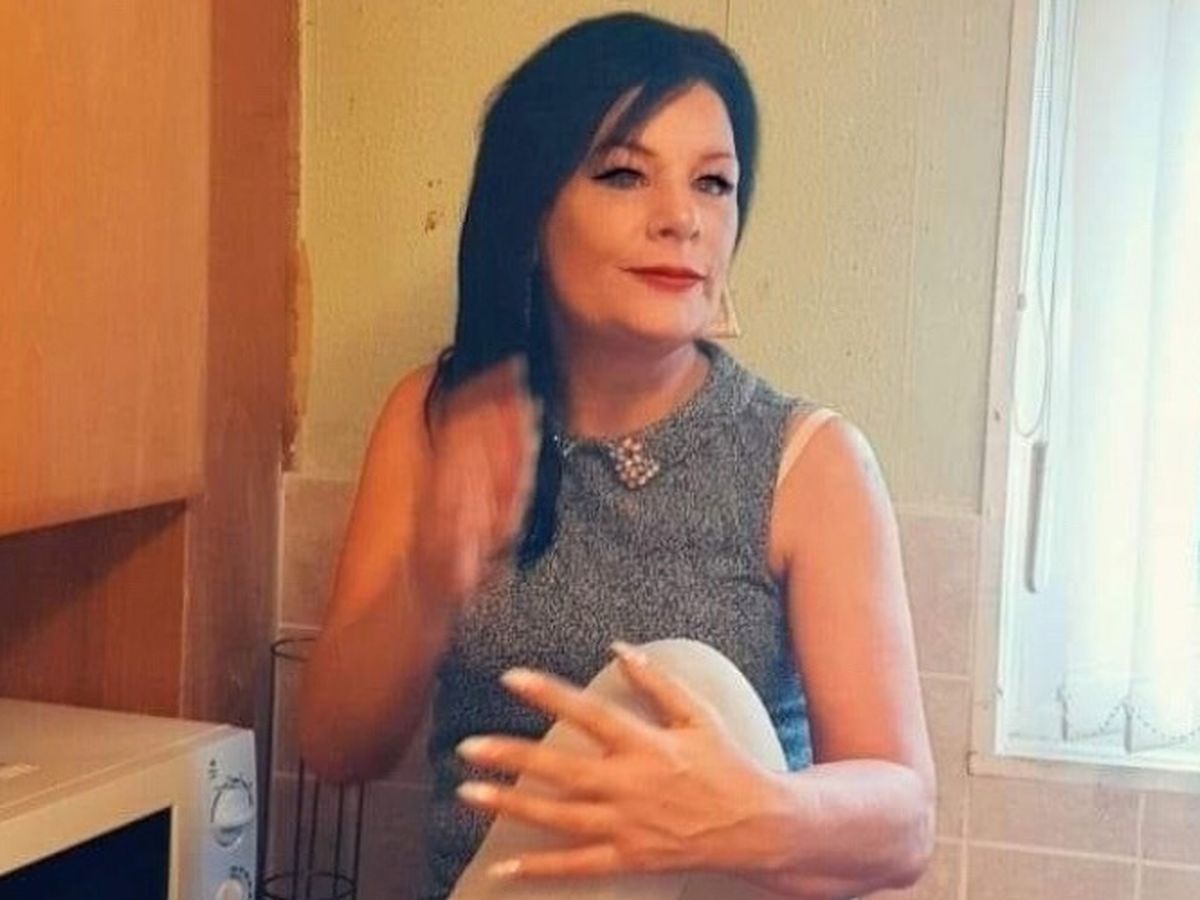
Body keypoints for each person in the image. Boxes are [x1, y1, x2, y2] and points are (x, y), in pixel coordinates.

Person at [299, 12, 936, 900]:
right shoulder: (438, 419)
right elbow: (335, 751)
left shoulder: (810, 462)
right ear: (532, 212)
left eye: (714, 184)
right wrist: (427, 584)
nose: (682, 219)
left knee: (682, 679)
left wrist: (745, 812)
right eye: (625, 174)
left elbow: (904, 823)